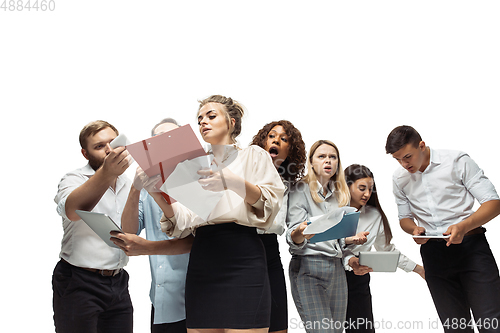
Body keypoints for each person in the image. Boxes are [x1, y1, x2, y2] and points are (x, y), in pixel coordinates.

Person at [147, 95, 285, 333]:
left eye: (211, 116)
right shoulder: (191, 165)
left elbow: (270, 207)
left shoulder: (253, 155)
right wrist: (159, 196)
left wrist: (231, 181)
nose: (203, 122)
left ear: (232, 122)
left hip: (243, 256)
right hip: (203, 259)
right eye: (200, 118)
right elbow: (182, 222)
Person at [386, 125, 500, 333]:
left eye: (408, 157)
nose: (404, 164)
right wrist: (414, 230)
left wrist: (463, 226)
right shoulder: (399, 178)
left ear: (422, 145)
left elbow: (493, 203)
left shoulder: (457, 161)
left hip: (472, 248)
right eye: (398, 159)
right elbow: (404, 218)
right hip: (434, 255)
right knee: (455, 327)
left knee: (491, 323)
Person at [111, 118, 194, 333]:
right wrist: (136, 188)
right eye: (158, 139)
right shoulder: (146, 186)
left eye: (173, 137)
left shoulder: (201, 181)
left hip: (200, 295)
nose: (165, 143)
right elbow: (129, 231)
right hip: (162, 298)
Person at [52, 120, 133, 333]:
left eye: (113, 143)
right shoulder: (73, 178)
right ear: (85, 154)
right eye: (99, 146)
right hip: (78, 281)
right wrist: (107, 173)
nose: (109, 150)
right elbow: (72, 210)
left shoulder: (129, 183)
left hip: (118, 282)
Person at [286, 140, 368, 333]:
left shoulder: (340, 193)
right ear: (312, 162)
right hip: (308, 267)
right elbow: (293, 237)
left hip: (336, 270)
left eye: (332, 157)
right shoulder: (299, 189)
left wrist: (350, 239)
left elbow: (337, 238)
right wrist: (301, 231)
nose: (328, 161)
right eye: (321, 156)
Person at [342, 164, 425, 333]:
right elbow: (329, 245)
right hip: (330, 277)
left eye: (370, 189)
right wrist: (349, 259)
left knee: (362, 329)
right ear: (346, 186)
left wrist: (418, 269)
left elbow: (386, 250)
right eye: (362, 188)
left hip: (358, 279)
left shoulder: (374, 215)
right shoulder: (331, 210)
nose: (367, 194)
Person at [251, 120, 307, 333]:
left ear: (289, 151)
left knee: (277, 324)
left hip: (270, 253)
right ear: (263, 142)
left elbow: (290, 227)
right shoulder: (245, 173)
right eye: (271, 136)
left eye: (284, 139)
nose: (276, 140)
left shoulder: (289, 185)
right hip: (245, 247)